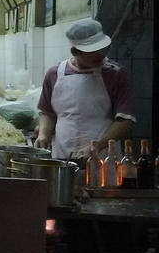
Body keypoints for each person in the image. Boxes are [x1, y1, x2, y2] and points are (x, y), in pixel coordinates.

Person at [35, 19, 134, 160]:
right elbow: (46, 113)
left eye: (102, 48)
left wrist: (97, 146)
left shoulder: (116, 74)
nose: (100, 54)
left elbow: (125, 121)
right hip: (62, 154)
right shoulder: (55, 74)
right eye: (93, 51)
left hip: (103, 156)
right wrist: (43, 134)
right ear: (75, 51)